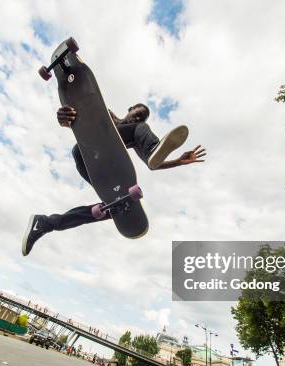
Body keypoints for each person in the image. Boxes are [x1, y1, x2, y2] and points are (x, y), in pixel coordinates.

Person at [22, 104, 206, 256]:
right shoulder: (108, 114)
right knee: (139, 131)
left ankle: (45, 223)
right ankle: (151, 147)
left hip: (102, 171)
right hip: (86, 155)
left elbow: (152, 164)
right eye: (137, 114)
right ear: (130, 108)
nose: (137, 119)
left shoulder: (133, 134)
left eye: (141, 118)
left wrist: (178, 162)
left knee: (113, 207)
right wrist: (64, 116)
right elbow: (77, 111)